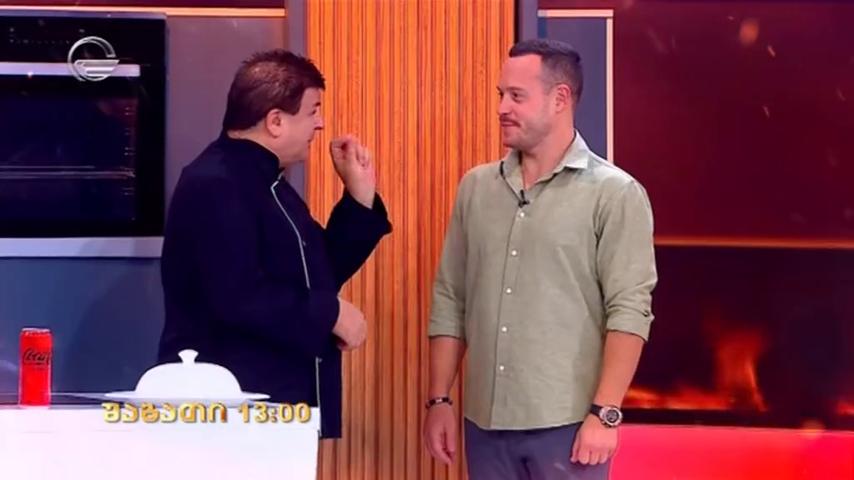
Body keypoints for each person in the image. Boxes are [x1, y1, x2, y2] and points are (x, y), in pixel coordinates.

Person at [423, 39, 657, 479]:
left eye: (517, 96)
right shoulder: (476, 188)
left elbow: (629, 310)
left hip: (571, 429)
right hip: (483, 427)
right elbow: (451, 298)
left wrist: (605, 414)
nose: (502, 108)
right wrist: (439, 399)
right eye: (501, 95)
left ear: (560, 98)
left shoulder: (615, 194)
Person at [157, 49, 391, 439]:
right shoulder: (216, 183)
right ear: (276, 121)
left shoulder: (267, 182)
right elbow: (237, 295)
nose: (320, 124)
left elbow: (316, 272)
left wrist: (359, 195)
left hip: (271, 407)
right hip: (230, 412)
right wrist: (330, 314)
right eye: (313, 111)